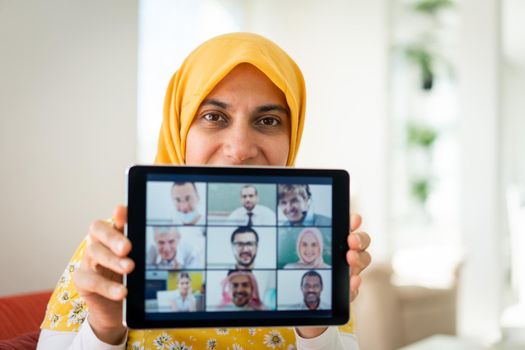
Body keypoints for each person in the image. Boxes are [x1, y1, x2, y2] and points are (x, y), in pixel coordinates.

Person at [38, 32, 371, 350]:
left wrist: (315, 326)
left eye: (268, 121)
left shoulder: (309, 254)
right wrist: (104, 326)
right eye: (214, 116)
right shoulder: (110, 250)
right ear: (180, 128)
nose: (240, 148)